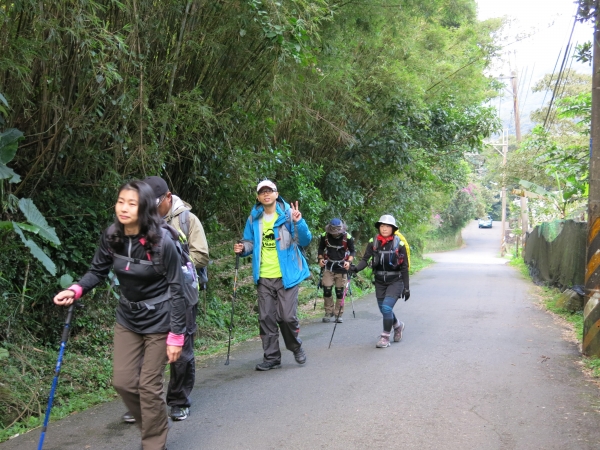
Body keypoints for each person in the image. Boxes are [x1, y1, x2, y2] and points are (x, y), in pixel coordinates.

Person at [53, 180, 185, 450]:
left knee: (149, 387)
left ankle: (154, 443)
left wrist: (176, 336)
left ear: (145, 207)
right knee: (123, 382)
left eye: (132, 203)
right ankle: (156, 422)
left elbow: (177, 289)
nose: (123, 208)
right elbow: (97, 270)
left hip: (160, 319)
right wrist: (76, 289)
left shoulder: (162, 243)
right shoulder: (112, 235)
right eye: (120, 201)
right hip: (128, 317)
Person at [129, 175, 208, 422]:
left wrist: (171, 268)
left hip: (181, 293)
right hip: (149, 296)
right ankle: (143, 402)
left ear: (168, 197)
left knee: (181, 350)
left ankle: (178, 400)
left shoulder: (187, 220)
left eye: (154, 203)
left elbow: (201, 255)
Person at [233, 180, 312, 371]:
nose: (266, 194)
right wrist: (243, 248)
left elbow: (305, 240)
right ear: (258, 197)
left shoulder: (288, 215)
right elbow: (250, 242)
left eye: (270, 191)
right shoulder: (254, 218)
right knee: (266, 317)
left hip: (287, 276)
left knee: (287, 317)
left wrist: (298, 222)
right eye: (262, 192)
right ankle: (272, 357)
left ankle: (295, 346)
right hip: (263, 276)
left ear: (277, 194)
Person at [351, 214, 409, 348]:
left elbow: (404, 267)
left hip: (395, 280)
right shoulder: (374, 242)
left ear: (393, 228)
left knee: (386, 308)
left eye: (387, 226)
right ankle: (398, 326)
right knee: (384, 310)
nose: (384, 228)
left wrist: (406, 287)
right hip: (379, 281)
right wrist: (355, 269)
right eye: (382, 226)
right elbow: (365, 260)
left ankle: (385, 338)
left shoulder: (399, 244)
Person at [317, 218, 355, 323]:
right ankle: (328, 311)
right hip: (328, 266)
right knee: (327, 289)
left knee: (339, 292)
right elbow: (320, 248)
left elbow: (352, 251)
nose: (335, 234)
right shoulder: (325, 236)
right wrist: (320, 259)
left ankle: (338, 313)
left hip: (342, 267)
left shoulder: (348, 237)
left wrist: (349, 262)